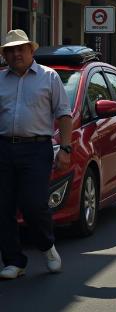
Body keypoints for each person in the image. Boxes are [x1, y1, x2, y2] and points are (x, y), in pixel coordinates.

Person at [0, 30, 72, 279]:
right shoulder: (0, 80)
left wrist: (65, 148)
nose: (15, 54)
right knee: (3, 207)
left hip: (36, 148)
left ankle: (46, 246)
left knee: (33, 204)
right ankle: (14, 261)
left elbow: (64, 114)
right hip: (4, 149)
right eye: (10, 50)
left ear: (31, 50)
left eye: (20, 48)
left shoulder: (49, 77)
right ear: (5, 55)